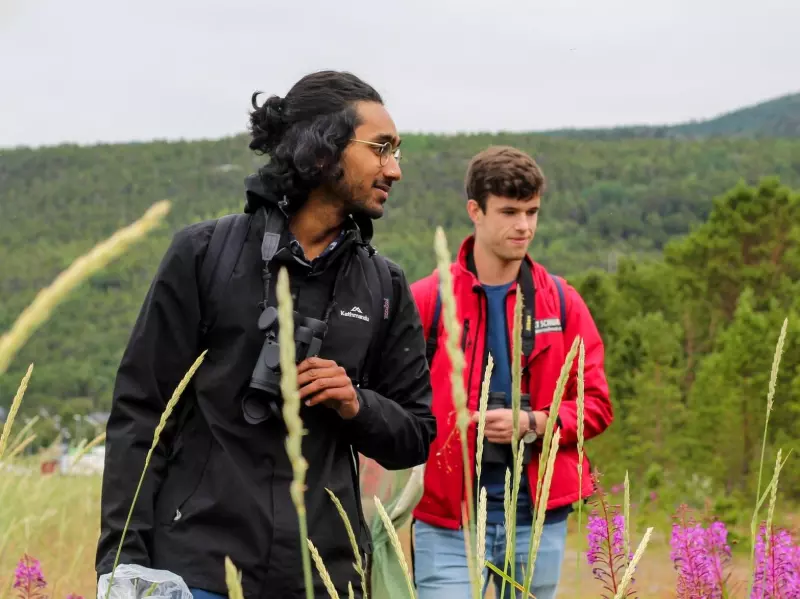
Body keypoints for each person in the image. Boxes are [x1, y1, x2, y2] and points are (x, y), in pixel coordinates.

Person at [95, 70, 437, 599]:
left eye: (397, 151)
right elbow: (140, 412)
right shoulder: (205, 254)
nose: (394, 169)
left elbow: (416, 433)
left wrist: (356, 404)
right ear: (322, 148)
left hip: (322, 576)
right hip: (198, 571)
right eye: (381, 148)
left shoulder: (384, 284)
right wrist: (123, 562)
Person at [408, 146, 613, 599]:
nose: (524, 226)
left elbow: (597, 405)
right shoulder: (428, 300)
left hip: (536, 520)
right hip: (448, 522)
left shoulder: (561, 301)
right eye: (509, 212)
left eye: (532, 211)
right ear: (475, 211)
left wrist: (535, 423)